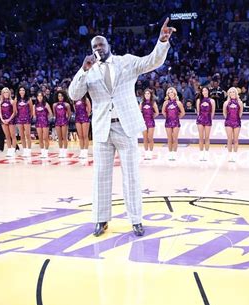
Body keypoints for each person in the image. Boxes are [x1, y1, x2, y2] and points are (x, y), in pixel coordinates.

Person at [68, 18, 175, 237]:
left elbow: (150, 62)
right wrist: (82, 70)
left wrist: (162, 42)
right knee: (101, 176)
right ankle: (100, 219)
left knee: (132, 176)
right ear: (91, 50)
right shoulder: (89, 71)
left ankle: (136, 220)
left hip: (125, 127)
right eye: (94, 46)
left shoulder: (126, 61)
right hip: (102, 130)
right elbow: (74, 94)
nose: (98, 48)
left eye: (101, 44)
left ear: (109, 46)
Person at [162, 87, 185, 161]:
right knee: (169, 139)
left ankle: (174, 154)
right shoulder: (166, 103)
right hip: (168, 122)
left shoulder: (178, 103)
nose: (171, 94)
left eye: (172, 92)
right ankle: (170, 153)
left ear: (174, 93)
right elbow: (163, 112)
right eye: (169, 92)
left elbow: (183, 113)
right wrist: (167, 117)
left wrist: (177, 118)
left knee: (175, 138)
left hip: (176, 122)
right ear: (167, 94)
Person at [223, 87, 243, 162]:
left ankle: (235, 155)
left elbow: (240, 113)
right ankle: (230, 156)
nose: (232, 93)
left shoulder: (239, 102)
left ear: (236, 93)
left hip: (237, 122)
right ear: (228, 94)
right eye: (230, 92)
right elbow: (224, 113)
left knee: (235, 139)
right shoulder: (226, 103)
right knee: (229, 139)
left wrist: (237, 119)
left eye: (233, 92)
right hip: (228, 122)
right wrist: (228, 119)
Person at [196, 86, 215, 161]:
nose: (204, 92)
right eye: (203, 91)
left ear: (208, 91)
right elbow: (198, 111)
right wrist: (200, 118)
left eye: (206, 90)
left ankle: (206, 154)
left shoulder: (212, 101)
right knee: (201, 137)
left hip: (208, 119)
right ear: (201, 92)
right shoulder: (199, 100)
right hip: (200, 120)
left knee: (207, 137)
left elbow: (213, 112)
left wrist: (210, 119)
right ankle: (201, 154)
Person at [14, 86, 34, 158]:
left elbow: (32, 111)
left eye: (23, 90)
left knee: (28, 135)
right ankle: (24, 150)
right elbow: (15, 111)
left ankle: (29, 150)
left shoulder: (29, 99)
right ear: (18, 92)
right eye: (20, 90)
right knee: (21, 135)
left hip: (27, 119)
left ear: (25, 91)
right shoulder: (16, 99)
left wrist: (29, 118)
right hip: (19, 119)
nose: (22, 91)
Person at [140, 89, 159, 160]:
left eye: (148, 94)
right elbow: (139, 112)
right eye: (145, 94)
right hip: (143, 122)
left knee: (150, 138)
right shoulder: (142, 103)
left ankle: (150, 153)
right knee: (145, 138)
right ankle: (146, 153)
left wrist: (151, 117)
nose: (147, 95)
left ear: (150, 95)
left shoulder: (153, 103)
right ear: (144, 95)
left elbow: (157, 112)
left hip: (150, 122)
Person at [0, 88, 17, 158]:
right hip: (3, 121)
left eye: (7, 92)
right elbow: (0, 112)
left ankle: (13, 149)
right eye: (4, 92)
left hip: (11, 120)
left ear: (9, 93)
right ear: (2, 94)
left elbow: (14, 112)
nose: (6, 93)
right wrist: (2, 119)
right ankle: (9, 149)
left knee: (13, 135)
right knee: (7, 136)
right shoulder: (0, 102)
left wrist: (9, 119)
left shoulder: (12, 101)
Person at [33, 91, 53, 159]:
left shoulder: (46, 104)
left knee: (45, 138)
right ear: (37, 97)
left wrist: (46, 118)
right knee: (40, 138)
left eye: (41, 96)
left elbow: (51, 113)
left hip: (45, 122)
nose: (40, 97)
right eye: (38, 96)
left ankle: (46, 152)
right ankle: (42, 152)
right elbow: (34, 115)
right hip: (38, 123)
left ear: (43, 97)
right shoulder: (34, 105)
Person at [53, 91, 72, 158]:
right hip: (57, 121)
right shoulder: (55, 105)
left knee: (64, 137)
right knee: (59, 137)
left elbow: (69, 114)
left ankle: (65, 151)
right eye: (59, 96)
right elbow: (54, 114)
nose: (60, 97)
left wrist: (67, 120)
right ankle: (61, 151)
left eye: (61, 96)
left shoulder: (67, 104)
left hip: (64, 121)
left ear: (64, 97)